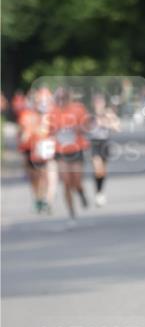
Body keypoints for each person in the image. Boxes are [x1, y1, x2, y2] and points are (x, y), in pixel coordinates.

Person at [50, 87, 90, 225]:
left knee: (76, 181)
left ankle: (80, 192)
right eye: (58, 98)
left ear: (68, 98)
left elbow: (88, 126)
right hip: (60, 151)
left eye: (63, 98)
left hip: (77, 149)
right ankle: (71, 213)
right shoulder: (53, 111)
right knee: (66, 182)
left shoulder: (78, 109)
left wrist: (79, 128)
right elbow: (47, 130)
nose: (61, 101)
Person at [86, 93, 120, 206]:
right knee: (97, 169)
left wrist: (106, 124)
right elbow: (84, 128)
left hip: (105, 143)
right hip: (94, 143)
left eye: (100, 102)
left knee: (103, 171)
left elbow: (118, 128)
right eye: (96, 102)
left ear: (104, 103)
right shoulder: (90, 116)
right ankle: (98, 193)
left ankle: (100, 192)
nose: (98, 105)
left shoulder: (108, 114)